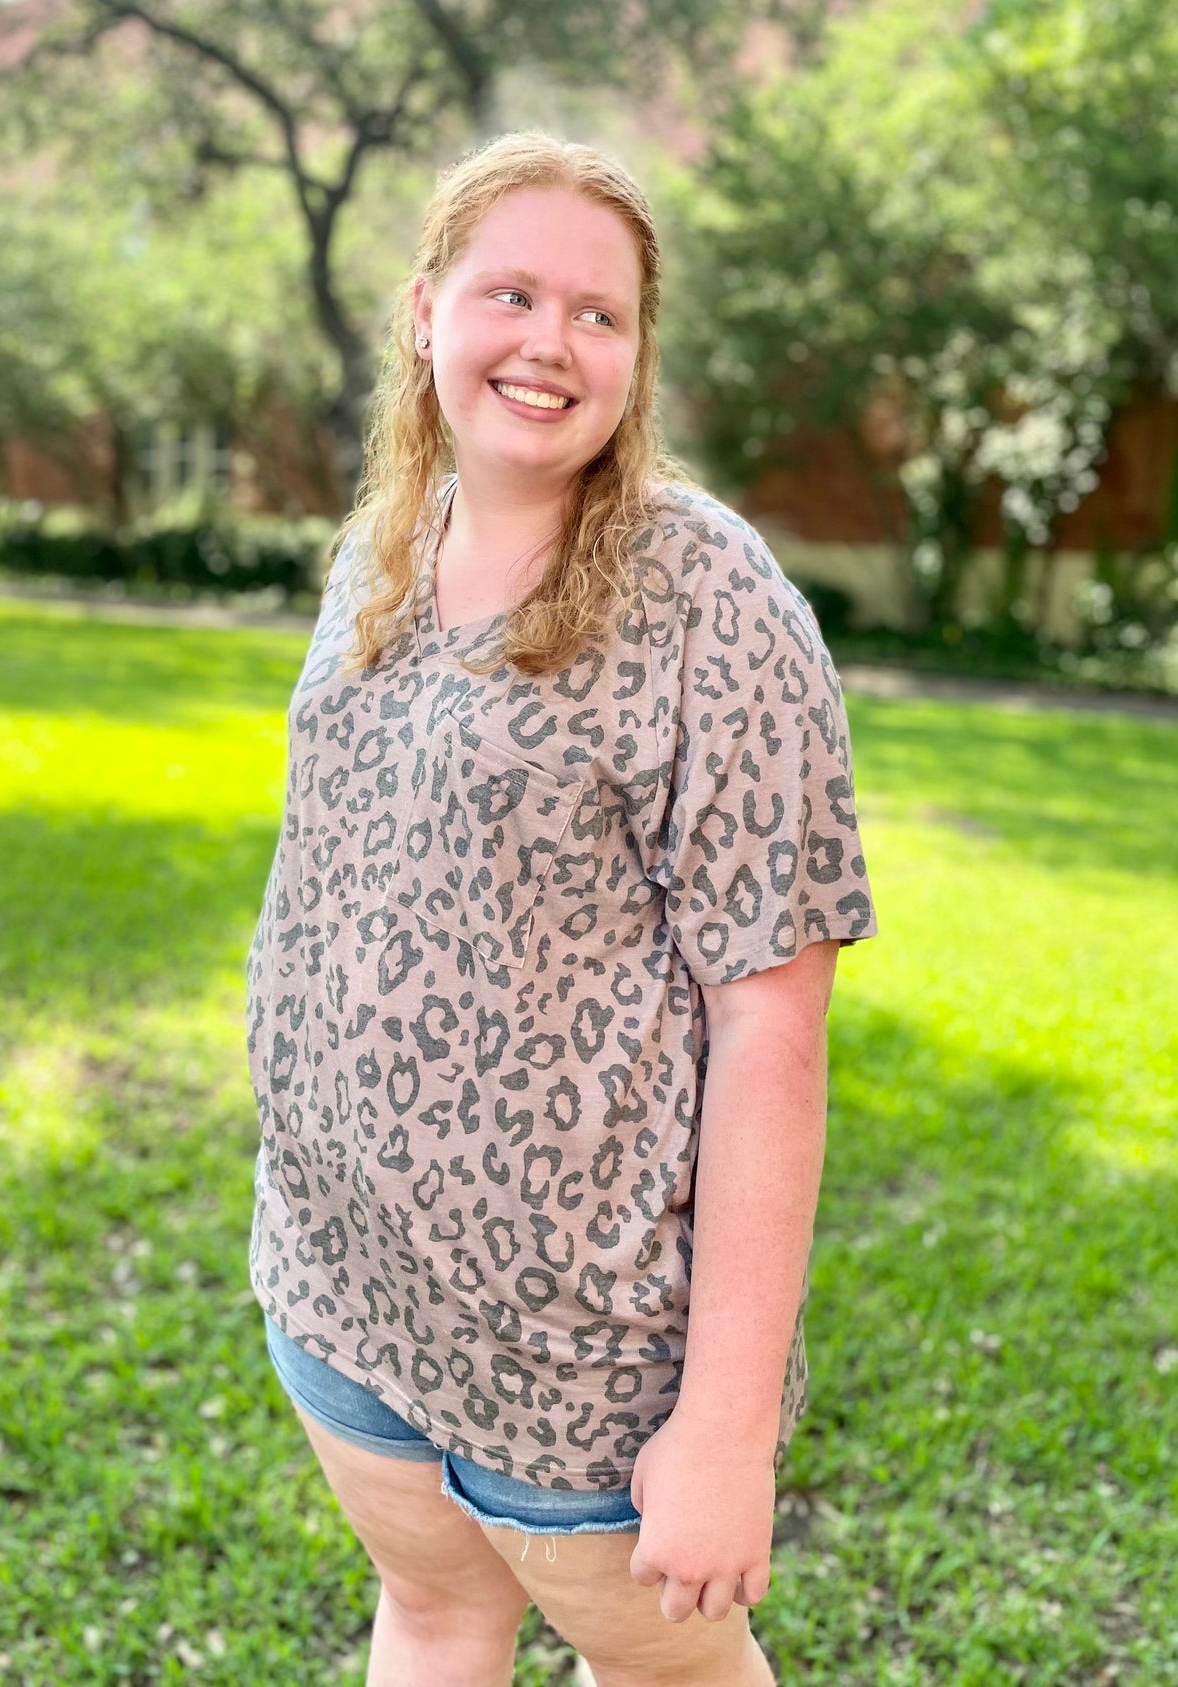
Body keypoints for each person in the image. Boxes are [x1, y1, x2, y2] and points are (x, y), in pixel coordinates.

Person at [245, 130, 878, 1687]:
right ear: (423, 314)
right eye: (508, 292)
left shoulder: (706, 596)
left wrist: (722, 1426)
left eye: (596, 313)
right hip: (343, 1283)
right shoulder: (379, 546)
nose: (548, 342)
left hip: (576, 1355)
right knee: (435, 1614)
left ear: (638, 355)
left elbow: (771, 1019)